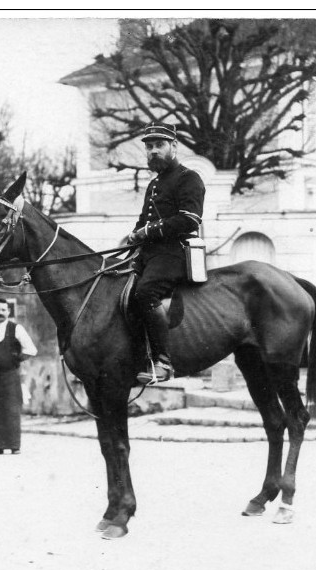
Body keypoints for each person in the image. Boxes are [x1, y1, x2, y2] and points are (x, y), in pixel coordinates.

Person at [127, 122, 206, 385]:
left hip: (175, 253)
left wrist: (147, 232)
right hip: (149, 254)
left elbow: (190, 219)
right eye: (149, 147)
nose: (153, 152)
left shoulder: (188, 177)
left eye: (159, 145)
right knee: (117, 284)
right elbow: (143, 220)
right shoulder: (154, 184)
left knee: (145, 292)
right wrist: (134, 235)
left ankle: (163, 362)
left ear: (173, 146)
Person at [0, 299, 38, 454]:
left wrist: (16, 359)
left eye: (4, 310)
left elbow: (31, 350)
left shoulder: (16, 329)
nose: (1, 313)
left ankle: (14, 446)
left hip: (10, 375)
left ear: (9, 312)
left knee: (11, 409)